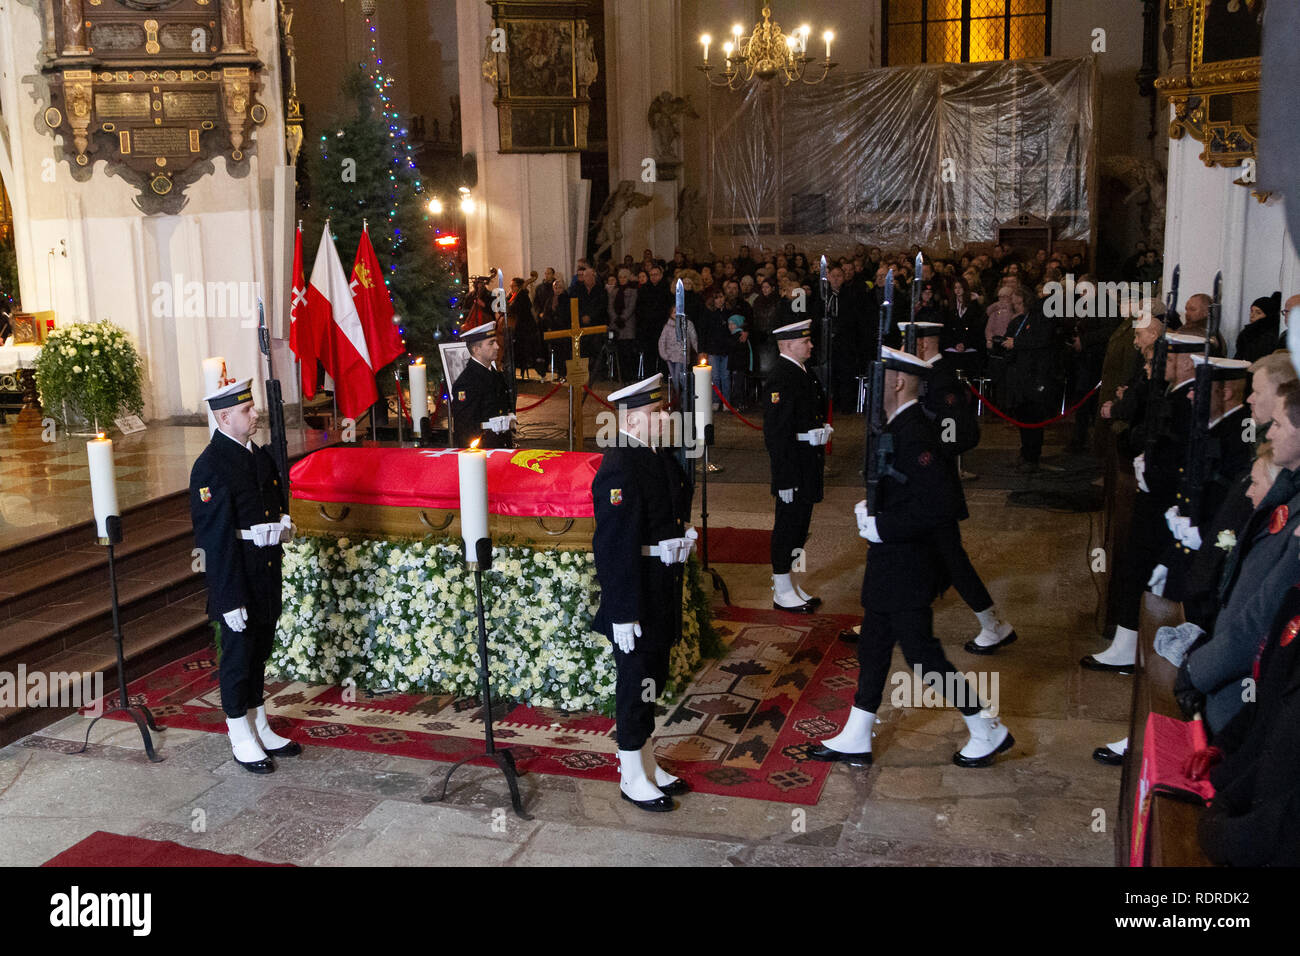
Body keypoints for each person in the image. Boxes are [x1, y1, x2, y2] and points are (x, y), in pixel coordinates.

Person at [809, 348, 1015, 768]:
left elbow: (939, 505)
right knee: (874, 646)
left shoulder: (916, 433)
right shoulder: (899, 427)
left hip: (908, 565)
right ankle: (857, 732)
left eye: (880, 376)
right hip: (891, 565)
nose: (873, 383)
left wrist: (884, 526)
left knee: (922, 654)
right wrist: (876, 512)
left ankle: (985, 726)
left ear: (899, 382)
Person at [591, 374, 695, 811]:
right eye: (657, 413)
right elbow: (613, 546)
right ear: (633, 417)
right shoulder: (620, 465)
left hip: (659, 587)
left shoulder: (657, 455)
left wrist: (680, 536)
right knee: (634, 682)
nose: (665, 417)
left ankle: (648, 762)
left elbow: (668, 510)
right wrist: (622, 611)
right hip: (635, 597)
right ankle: (631, 772)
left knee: (654, 677)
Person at [189, 378, 301, 775]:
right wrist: (227, 598)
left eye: (252, 408)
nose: (255, 415)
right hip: (237, 579)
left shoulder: (259, 456)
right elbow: (215, 540)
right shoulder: (211, 466)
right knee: (237, 657)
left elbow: (271, 503)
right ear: (224, 417)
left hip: (265, 570)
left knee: (259, 652)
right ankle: (239, 729)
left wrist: (280, 524)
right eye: (246, 411)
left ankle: (259, 723)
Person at [763, 320, 831, 612]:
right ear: (788, 345)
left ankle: (789, 581)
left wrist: (820, 430)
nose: (811, 345)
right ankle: (780, 587)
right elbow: (777, 433)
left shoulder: (803, 372)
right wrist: (784, 478)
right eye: (806, 341)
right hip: (793, 468)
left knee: (800, 526)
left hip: (807, 462)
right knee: (788, 526)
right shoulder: (781, 376)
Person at [1002, 283, 1059, 472]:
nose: (1016, 307)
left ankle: (1032, 457)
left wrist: (1016, 343)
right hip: (1021, 377)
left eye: (1018, 304)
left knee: (1033, 418)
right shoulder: (1020, 321)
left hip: (1035, 376)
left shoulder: (1041, 317)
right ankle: (1026, 452)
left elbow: (1043, 339)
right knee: (1023, 416)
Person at [450, 321, 514, 449]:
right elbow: (464, 425)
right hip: (483, 447)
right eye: (491, 343)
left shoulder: (494, 374)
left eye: (495, 341)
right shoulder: (467, 381)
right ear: (476, 349)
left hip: (500, 444)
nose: (497, 346)